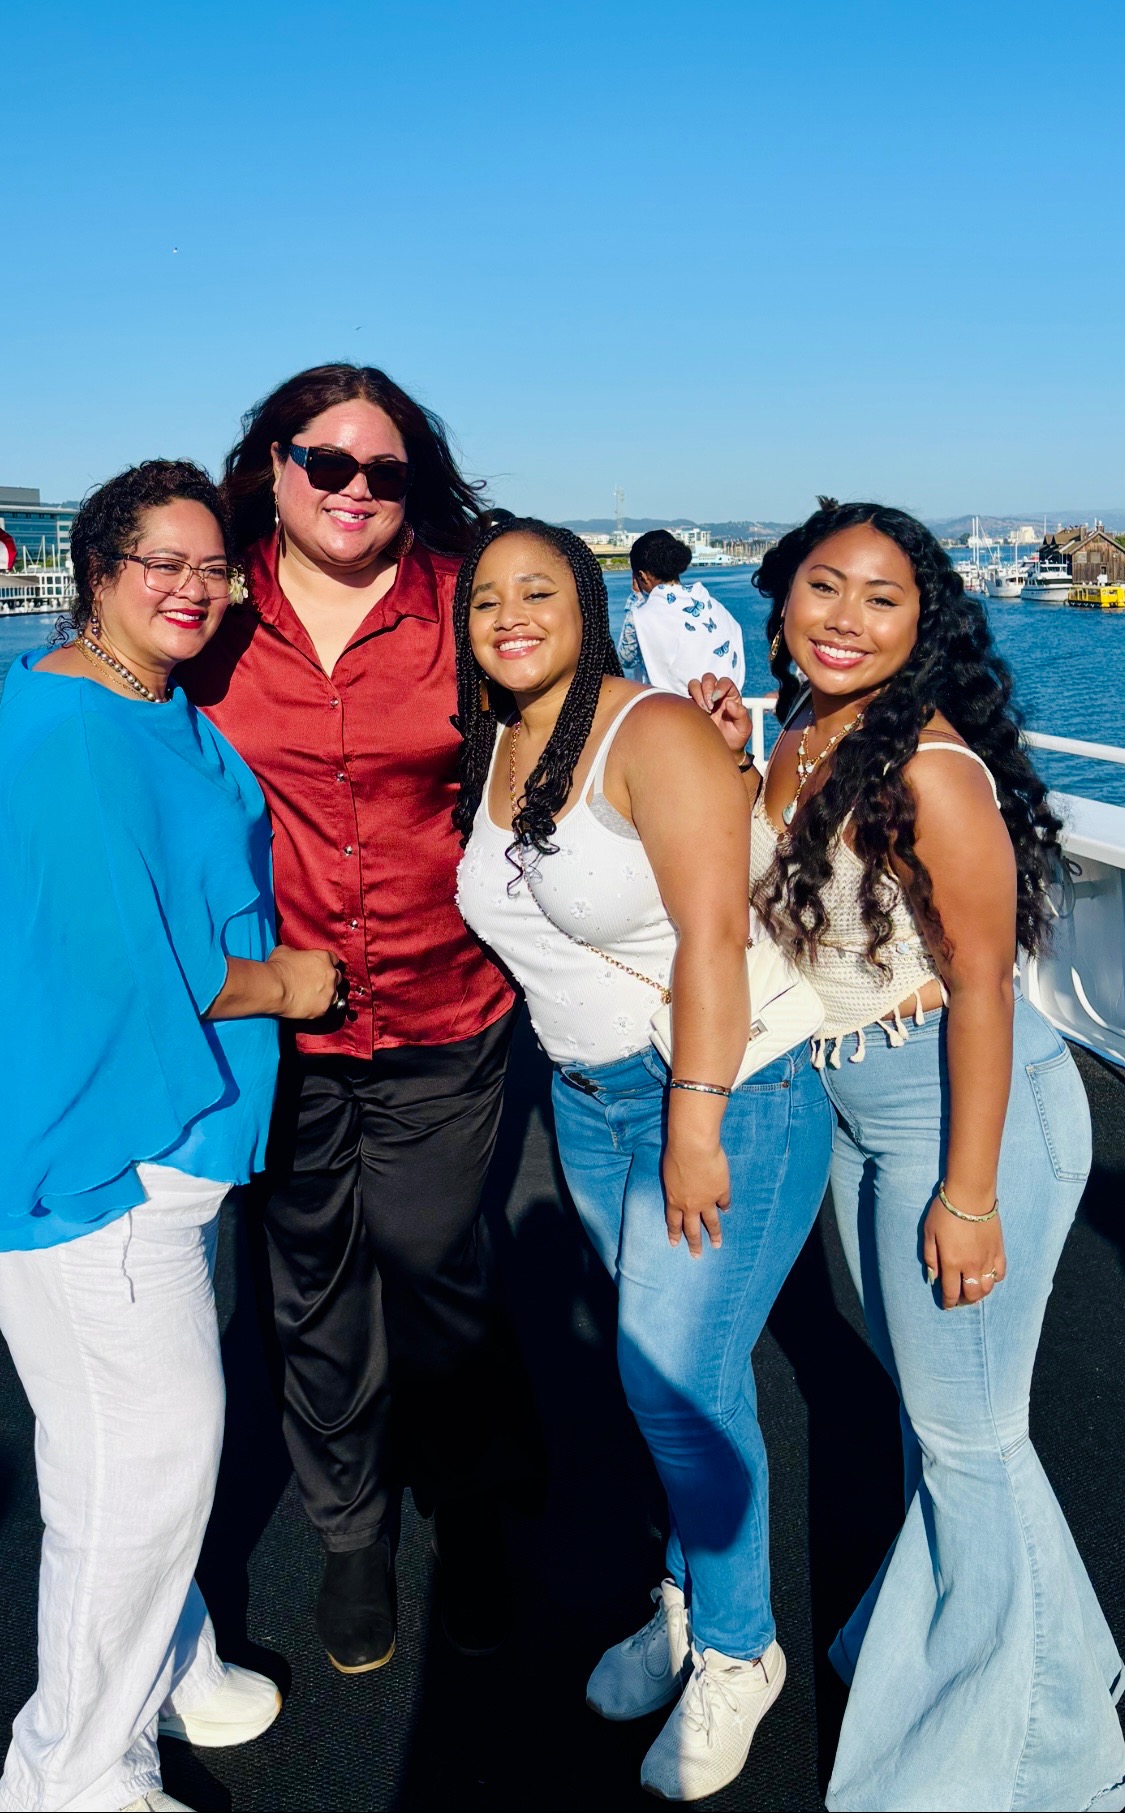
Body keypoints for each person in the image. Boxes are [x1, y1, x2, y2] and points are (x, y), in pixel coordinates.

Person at [694, 500, 1125, 1813]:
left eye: (883, 599)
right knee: (945, 1423)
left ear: (922, 626)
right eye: (825, 586)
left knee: (967, 1435)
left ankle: (1020, 1766)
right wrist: (732, 759)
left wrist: (970, 1194)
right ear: (782, 602)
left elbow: (987, 987)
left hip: (964, 1115)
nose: (847, 618)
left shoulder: (930, 769)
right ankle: (1046, 1676)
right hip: (859, 1110)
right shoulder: (798, 730)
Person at [454, 518, 832, 1801]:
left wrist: (694, 1122)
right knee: (678, 1376)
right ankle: (688, 1595)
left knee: (673, 1381)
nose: (511, 614)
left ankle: (740, 1648)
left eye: (538, 590)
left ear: (590, 601)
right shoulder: (500, 743)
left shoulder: (651, 731)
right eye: (486, 598)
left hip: (721, 1092)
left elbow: (716, 935)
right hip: (588, 1099)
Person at [0, 461, 340, 1813]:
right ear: (98, 570)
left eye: (216, 569)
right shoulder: (68, 728)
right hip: (97, 1157)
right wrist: (290, 986)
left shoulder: (153, 704)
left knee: (129, 1454)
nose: (196, 588)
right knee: (138, 1469)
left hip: (164, 1144)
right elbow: (124, 962)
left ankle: (168, 1660)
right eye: (165, 562)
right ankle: (74, 1772)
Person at [182, 364, 531, 1673]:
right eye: (327, 462)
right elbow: (105, 712)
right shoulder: (209, 612)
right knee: (310, 1285)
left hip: (446, 999)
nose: (356, 489)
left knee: (437, 1264)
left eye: (384, 470)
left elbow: (578, 723)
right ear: (274, 466)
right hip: (276, 1020)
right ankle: (351, 1530)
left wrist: (704, 733)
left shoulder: (465, 601)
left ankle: (473, 1501)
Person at [618, 529, 744, 695]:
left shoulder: (642, 616)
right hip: (721, 703)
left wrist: (636, 599)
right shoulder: (716, 607)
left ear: (642, 576)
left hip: (668, 707)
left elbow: (626, 659)